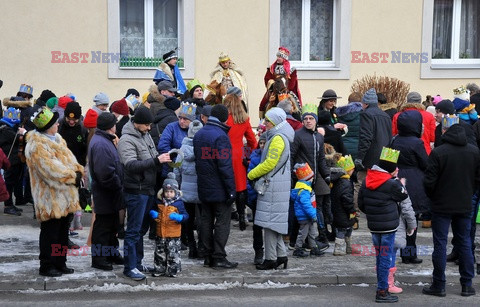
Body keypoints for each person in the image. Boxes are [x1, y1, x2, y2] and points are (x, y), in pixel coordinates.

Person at [422, 115, 480, 298]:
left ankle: (439, 285)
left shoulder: (439, 152)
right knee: (464, 243)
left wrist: (434, 197)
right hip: (464, 203)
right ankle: (467, 285)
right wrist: (469, 193)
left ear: (445, 132)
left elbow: (429, 181)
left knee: (440, 244)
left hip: (441, 204)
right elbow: (477, 180)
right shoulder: (474, 152)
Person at [25, 107, 84, 277]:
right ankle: (47, 265)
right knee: (50, 233)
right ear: (48, 126)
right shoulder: (37, 145)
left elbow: (69, 159)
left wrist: (77, 169)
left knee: (62, 232)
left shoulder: (57, 138)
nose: (58, 124)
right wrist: (73, 176)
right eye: (54, 122)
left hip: (65, 194)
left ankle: (60, 262)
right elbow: (50, 169)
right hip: (49, 196)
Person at [117, 106, 172, 281]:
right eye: (146, 125)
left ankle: (137, 264)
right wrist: (156, 160)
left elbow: (153, 155)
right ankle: (129, 267)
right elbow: (130, 165)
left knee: (141, 230)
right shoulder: (126, 139)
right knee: (133, 231)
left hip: (148, 189)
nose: (149, 128)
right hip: (136, 190)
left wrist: (164, 158)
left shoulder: (145, 135)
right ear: (136, 123)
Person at [358, 147, 408, 303]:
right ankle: (382, 291)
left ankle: (382, 287)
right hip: (389, 227)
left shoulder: (367, 180)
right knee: (385, 258)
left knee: (380, 256)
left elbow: (361, 203)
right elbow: (403, 195)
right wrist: (400, 183)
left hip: (374, 226)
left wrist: (373, 214)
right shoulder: (391, 183)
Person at [247, 107, 294, 270]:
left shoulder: (278, 139)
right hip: (277, 185)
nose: (264, 123)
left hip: (273, 187)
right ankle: (281, 256)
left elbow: (269, 163)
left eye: (267, 120)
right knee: (272, 224)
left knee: (268, 224)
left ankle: (270, 259)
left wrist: (251, 174)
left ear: (274, 122)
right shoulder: (278, 136)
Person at [193, 104, 237, 269]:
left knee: (206, 221)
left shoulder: (199, 134)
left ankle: (207, 256)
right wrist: (231, 190)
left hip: (204, 186)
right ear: (225, 118)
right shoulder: (221, 136)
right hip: (219, 188)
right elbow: (225, 166)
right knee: (222, 222)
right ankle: (218, 256)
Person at [391, 110, 430, 265]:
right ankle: (409, 254)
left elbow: (387, 160)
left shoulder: (394, 140)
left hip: (397, 180)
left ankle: (402, 252)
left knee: (400, 220)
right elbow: (426, 164)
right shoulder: (417, 142)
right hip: (414, 183)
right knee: (412, 221)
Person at [290, 104, 331, 249]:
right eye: (305, 118)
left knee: (314, 208)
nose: (308, 121)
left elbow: (321, 159)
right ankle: (296, 241)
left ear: (315, 121)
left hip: (315, 178)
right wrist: (293, 175)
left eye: (311, 118)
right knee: (301, 210)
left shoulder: (319, 137)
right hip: (301, 179)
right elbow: (292, 156)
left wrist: (326, 175)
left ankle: (313, 239)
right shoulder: (298, 135)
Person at [89, 112, 124, 271]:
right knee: (102, 226)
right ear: (111, 126)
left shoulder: (104, 139)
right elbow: (105, 172)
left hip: (110, 191)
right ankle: (99, 258)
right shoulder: (102, 144)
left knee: (111, 224)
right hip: (106, 191)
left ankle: (110, 253)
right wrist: (117, 184)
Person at [224, 94, 257, 230]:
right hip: (239, 155)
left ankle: (224, 217)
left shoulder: (224, 119)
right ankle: (242, 217)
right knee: (240, 188)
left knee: (224, 185)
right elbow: (252, 141)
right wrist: (248, 156)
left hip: (224, 153)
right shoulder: (244, 119)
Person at [355, 88, 392, 209]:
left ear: (366, 103)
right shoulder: (386, 116)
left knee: (360, 185)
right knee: (381, 185)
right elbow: (389, 138)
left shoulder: (366, 114)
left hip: (370, 158)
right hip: (385, 158)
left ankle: (354, 216)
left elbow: (366, 138)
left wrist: (360, 158)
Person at [149, 172, 189, 277]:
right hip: (160, 233)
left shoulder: (178, 203)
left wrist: (180, 217)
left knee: (173, 253)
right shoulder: (159, 202)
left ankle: (173, 270)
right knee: (159, 253)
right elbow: (153, 211)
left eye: (171, 192)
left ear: (176, 192)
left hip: (174, 234)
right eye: (167, 192)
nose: (169, 194)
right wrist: (154, 214)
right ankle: (159, 269)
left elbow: (186, 215)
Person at [175, 120, 204, 259]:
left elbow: (176, 173)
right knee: (203, 220)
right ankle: (202, 246)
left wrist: (176, 189)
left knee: (188, 219)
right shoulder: (204, 149)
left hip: (186, 192)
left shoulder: (181, 151)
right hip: (202, 191)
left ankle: (191, 247)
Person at [259, 47, 302, 118]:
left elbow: (292, 84)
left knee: (296, 104)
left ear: (284, 58)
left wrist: (285, 89)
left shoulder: (292, 69)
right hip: (274, 90)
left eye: (280, 57)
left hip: (286, 91)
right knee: (263, 103)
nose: (278, 58)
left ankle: (298, 119)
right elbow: (267, 79)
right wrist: (273, 85)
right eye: (277, 56)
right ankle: (261, 120)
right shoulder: (271, 68)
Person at [290, 163, 320, 258]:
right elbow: (306, 205)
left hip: (306, 215)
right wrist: (313, 215)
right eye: (311, 177)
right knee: (303, 233)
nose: (312, 179)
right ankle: (298, 248)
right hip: (305, 216)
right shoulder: (304, 190)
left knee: (311, 232)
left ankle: (313, 247)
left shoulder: (302, 188)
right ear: (307, 179)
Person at [0, 106, 24, 215]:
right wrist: (21, 133)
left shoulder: (4, 129)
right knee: (9, 183)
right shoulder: (6, 130)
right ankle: (8, 205)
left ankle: (10, 203)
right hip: (11, 160)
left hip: (13, 160)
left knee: (11, 182)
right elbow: (16, 139)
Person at [246, 134, 266, 264]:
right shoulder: (255, 157)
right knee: (257, 227)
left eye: (265, 143)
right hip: (257, 196)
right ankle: (258, 251)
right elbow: (249, 178)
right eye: (261, 143)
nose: (263, 146)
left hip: (269, 196)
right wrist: (252, 197)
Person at [331, 155, 356, 256]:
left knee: (343, 229)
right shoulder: (346, 183)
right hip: (344, 213)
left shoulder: (337, 181)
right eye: (351, 170)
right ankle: (339, 249)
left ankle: (346, 247)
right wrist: (351, 210)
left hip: (336, 211)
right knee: (344, 230)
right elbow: (347, 199)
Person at [335, 92, 363, 160]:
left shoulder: (339, 114)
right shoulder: (363, 114)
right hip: (358, 148)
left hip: (343, 147)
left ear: (349, 101)